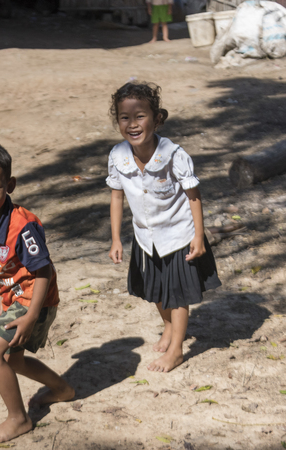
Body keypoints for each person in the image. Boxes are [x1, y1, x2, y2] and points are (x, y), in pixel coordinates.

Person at [0, 142, 75, 443]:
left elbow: (44, 270)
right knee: (12, 360)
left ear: (9, 185)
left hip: (34, 298)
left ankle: (18, 418)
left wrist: (31, 315)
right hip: (14, 298)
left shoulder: (22, 227)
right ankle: (63, 390)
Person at [107, 82, 221, 373]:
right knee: (155, 290)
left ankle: (177, 350)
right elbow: (117, 196)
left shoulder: (174, 155)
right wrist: (116, 239)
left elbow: (193, 196)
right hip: (145, 237)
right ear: (117, 120)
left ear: (157, 118)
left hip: (177, 235)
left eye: (140, 116)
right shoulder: (118, 156)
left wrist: (198, 236)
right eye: (124, 117)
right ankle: (169, 327)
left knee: (178, 293)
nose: (132, 124)